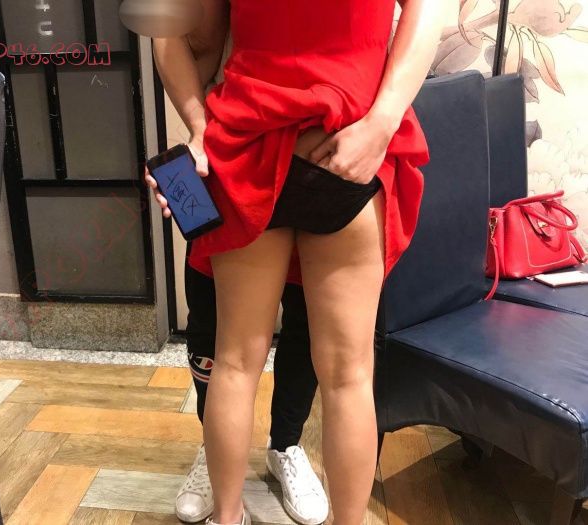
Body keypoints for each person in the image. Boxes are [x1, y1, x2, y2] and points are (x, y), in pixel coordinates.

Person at [147, 1, 445, 523]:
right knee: (348, 377)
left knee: (235, 363)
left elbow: (165, 29)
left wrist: (199, 127)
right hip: (348, 139)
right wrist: (381, 124)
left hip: (248, 143)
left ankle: (227, 517)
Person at [177, 240, 328, 524]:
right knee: (211, 322)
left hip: (316, 215)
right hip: (225, 215)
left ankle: (285, 445)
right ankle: (214, 452)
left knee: (307, 322)